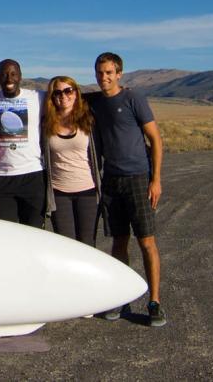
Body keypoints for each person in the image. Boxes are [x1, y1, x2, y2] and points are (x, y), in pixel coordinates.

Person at [85, 52, 166, 327]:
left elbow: (155, 139)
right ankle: (122, 297)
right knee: (119, 242)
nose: (103, 77)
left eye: (108, 72)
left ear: (119, 74)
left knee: (146, 241)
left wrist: (155, 180)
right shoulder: (94, 102)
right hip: (111, 180)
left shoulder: (133, 99)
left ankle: (154, 302)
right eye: (99, 72)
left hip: (138, 178)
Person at [0, 59, 45, 228]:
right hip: (1, 178)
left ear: (20, 76)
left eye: (13, 74)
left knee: (35, 234)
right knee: (5, 236)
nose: (9, 78)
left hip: (33, 176)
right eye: (4, 74)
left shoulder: (38, 98)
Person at [42, 76, 101, 246]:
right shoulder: (46, 123)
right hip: (59, 192)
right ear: (52, 97)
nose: (63, 96)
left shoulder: (88, 119)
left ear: (76, 93)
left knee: (88, 244)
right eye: (57, 92)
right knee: (66, 245)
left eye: (68, 90)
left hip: (87, 190)